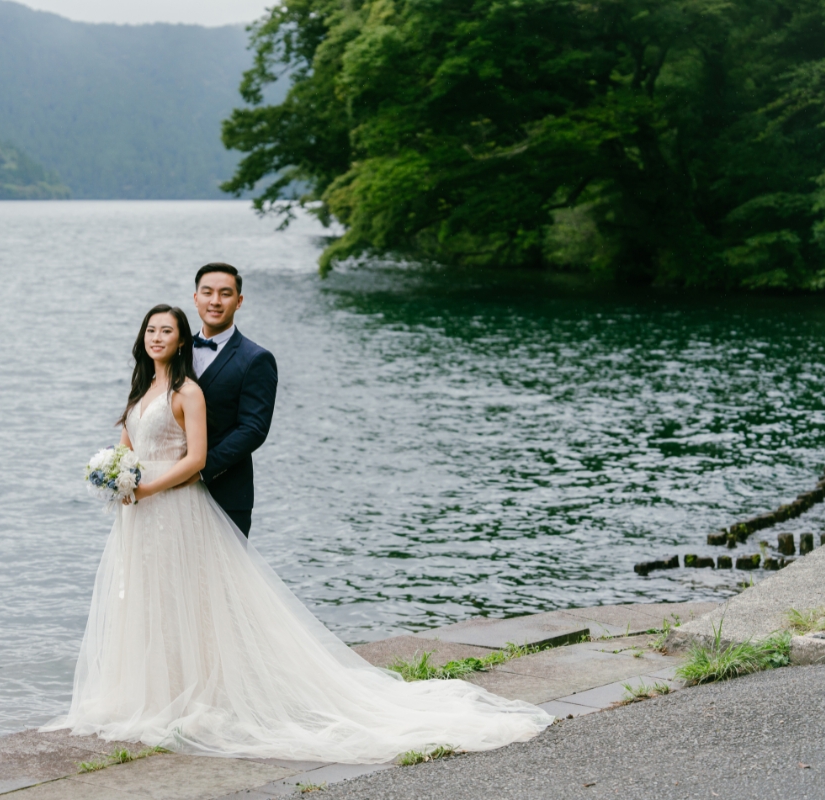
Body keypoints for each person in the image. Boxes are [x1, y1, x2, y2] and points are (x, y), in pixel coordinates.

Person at [42, 299, 552, 763]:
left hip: (175, 508)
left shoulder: (186, 391)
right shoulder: (140, 388)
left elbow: (196, 459)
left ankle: (197, 695)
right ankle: (151, 692)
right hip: (139, 516)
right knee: (149, 601)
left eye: (167, 331)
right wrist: (117, 475)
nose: (157, 337)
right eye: (151, 330)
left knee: (189, 600)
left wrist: (147, 488)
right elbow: (132, 445)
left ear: (180, 341)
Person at [187, 263, 277, 538]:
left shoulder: (256, 359)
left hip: (226, 494)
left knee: (222, 581)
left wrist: (200, 470)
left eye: (225, 294)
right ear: (196, 298)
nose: (215, 301)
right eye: (207, 293)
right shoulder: (176, 352)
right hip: (169, 494)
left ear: (238, 301)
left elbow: (253, 429)